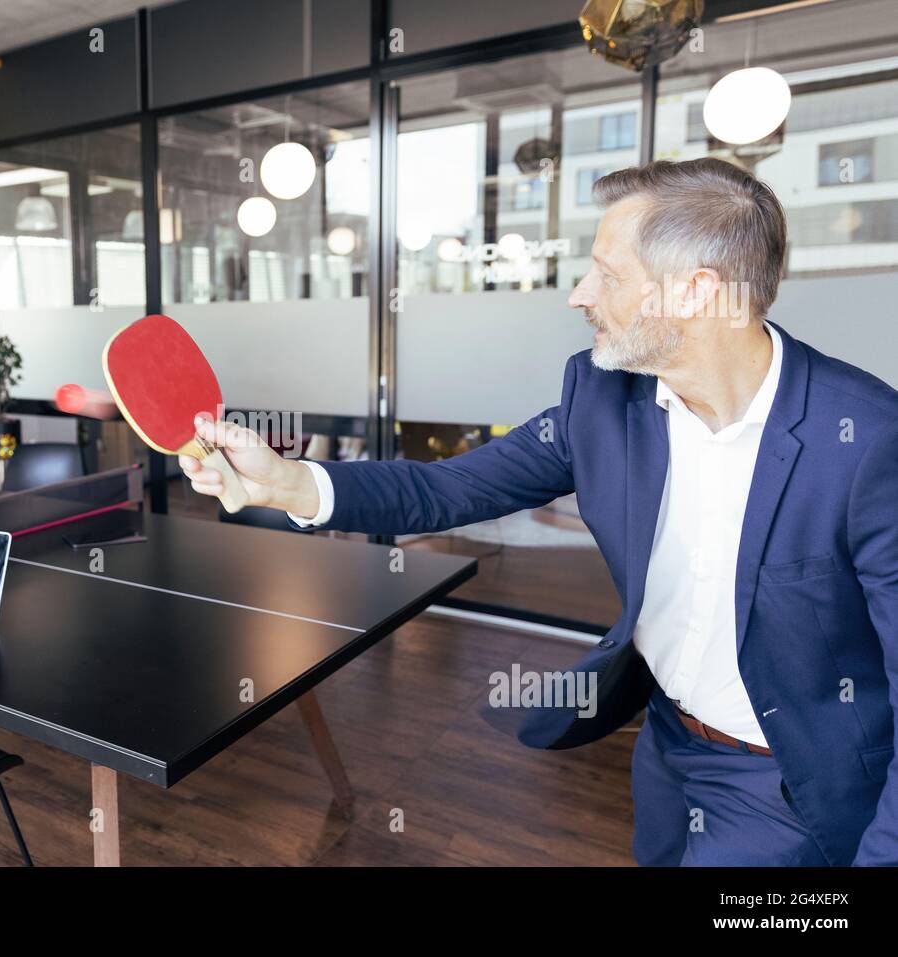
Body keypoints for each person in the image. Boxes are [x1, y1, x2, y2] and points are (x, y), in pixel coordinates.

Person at [179, 158, 898, 866]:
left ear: (695, 292)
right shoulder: (603, 400)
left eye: (608, 275)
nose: (579, 294)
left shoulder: (867, 440)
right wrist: (285, 483)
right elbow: (448, 489)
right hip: (667, 742)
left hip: (788, 780)